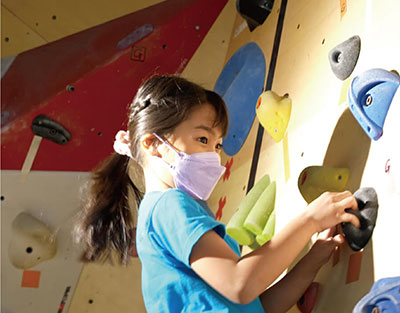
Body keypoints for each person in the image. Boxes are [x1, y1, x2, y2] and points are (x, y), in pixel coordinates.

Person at [75, 75, 360, 313]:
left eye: (217, 146)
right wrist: (310, 220)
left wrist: (313, 259)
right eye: (202, 139)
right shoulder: (169, 206)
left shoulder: (172, 210)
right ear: (153, 143)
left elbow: (260, 305)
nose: (213, 156)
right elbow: (239, 284)